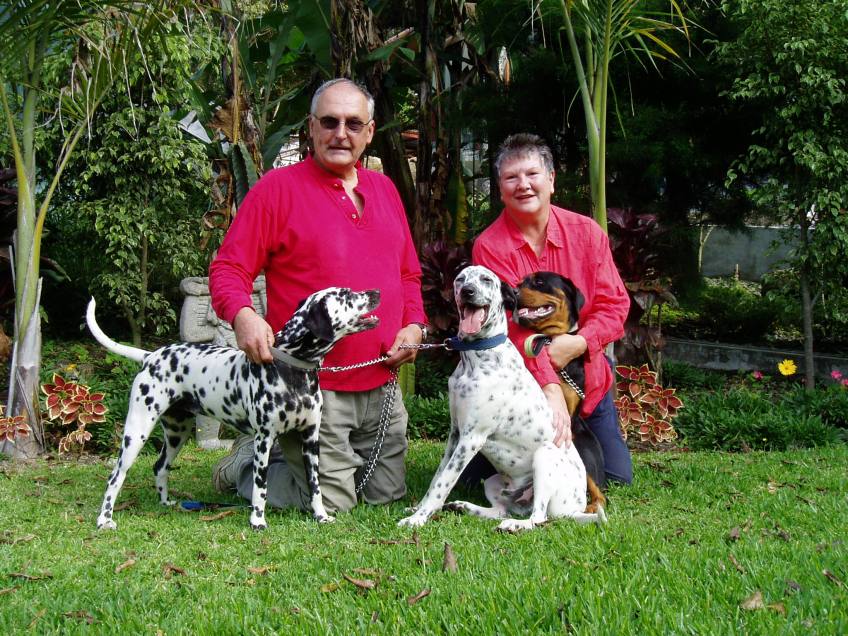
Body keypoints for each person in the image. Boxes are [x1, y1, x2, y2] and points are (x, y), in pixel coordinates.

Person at [208, 78, 428, 514]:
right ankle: (247, 466)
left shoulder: (384, 189)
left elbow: (408, 274)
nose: (340, 133)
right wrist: (243, 316)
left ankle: (289, 458)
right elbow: (228, 268)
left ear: (369, 132)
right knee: (337, 505)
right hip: (310, 386)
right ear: (311, 127)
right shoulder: (276, 189)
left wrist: (415, 325)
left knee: (386, 498)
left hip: (381, 382)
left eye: (353, 124)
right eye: (329, 122)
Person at [469, 133, 633, 484]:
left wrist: (579, 343)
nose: (523, 185)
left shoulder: (587, 233)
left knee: (615, 477)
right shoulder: (489, 246)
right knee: (476, 482)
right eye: (511, 177)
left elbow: (614, 304)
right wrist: (549, 385)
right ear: (500, 189)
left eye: (532, 174)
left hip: (584, 377)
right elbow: (507, 327)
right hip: (521, 386)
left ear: (552, 179)